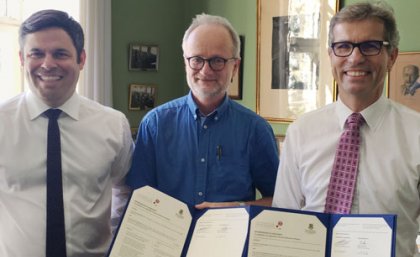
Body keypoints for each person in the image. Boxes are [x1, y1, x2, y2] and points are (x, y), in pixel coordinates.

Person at [272, 2, 420, 257]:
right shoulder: (301, 132)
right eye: (343, 46)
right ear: (330, 55)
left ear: (392, 57)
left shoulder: (416, 134)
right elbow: (282, 224)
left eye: (370, 46)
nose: (355, 57)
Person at [0, 10, 133, 257]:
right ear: (21, 58)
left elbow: (124, 190)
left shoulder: (114, 125)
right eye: (36, 53)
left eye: (60, 54)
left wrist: (117, 242)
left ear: (81, 59)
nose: (48, 64)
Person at [126, 13, 279, 208]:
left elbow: (278, 201)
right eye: (197, 59)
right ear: (185, 62)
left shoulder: (255, 130)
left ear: (235, 67)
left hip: (231, 238)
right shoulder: (155, 125)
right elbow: (139, 200)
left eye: (217, 60)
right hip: (168, 238)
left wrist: (238, 208)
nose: (206, 71)